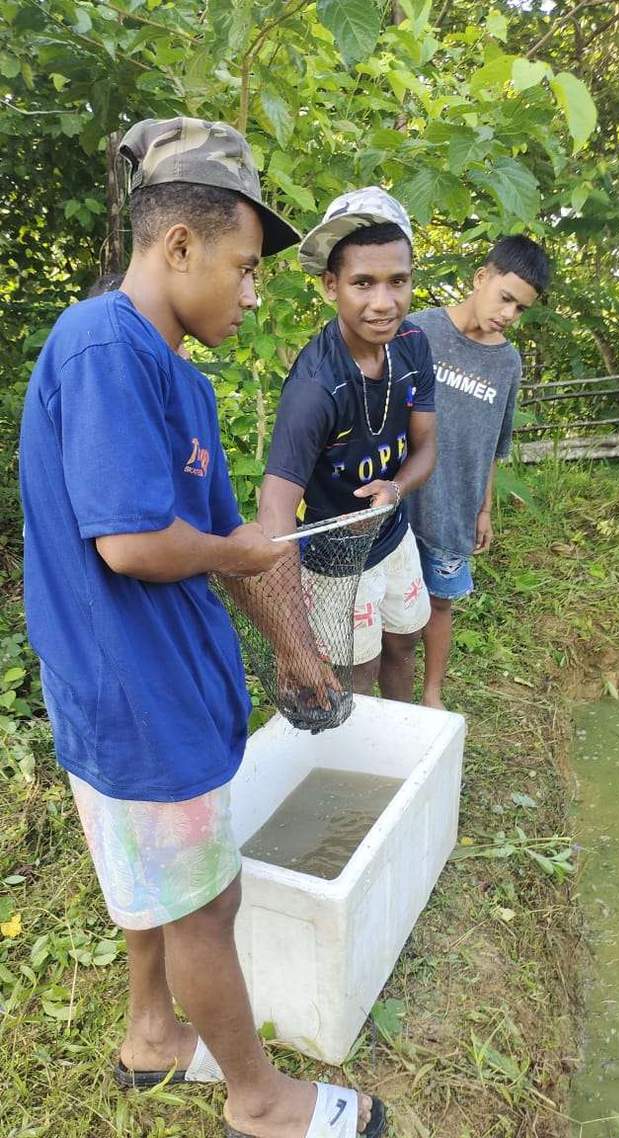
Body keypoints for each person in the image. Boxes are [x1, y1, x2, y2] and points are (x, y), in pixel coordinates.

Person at [20, 117, 384, 1138]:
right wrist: (238, 553)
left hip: (158, 685)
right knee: (201, 905)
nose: (252, 292)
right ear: (179, 245)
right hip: (131, 690)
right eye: (244, 267)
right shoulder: (101, 345)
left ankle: (152, 1036)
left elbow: (228, 534)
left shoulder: (176, 377)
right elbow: (134, 543)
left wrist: (296, 646)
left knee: (156, 881)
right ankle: (259, 1100)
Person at [258, 187, 437, 703]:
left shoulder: (413, 345)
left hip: (393, 535)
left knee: (404, 643)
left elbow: (427, 446)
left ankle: (402, 735)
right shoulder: (316, 387)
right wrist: (291, 639)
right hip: (332, 560)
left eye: (397, 281)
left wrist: (395, 489)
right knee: (356, 674)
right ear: (331, 285)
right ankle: (358, 750)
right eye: (363, 283)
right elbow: (275, 508)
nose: (384, 303)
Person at [406, 235, 551, 708]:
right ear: (481, 278)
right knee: (394, 606)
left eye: (520, 309)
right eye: (505, 298)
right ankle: (390, 695)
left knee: (439, 602)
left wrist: (484, 509)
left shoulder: (506, 363)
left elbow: (494, 444)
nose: (509, 314)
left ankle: (432, 694)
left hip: (456, 505)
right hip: (402, 498)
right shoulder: (419, 330)